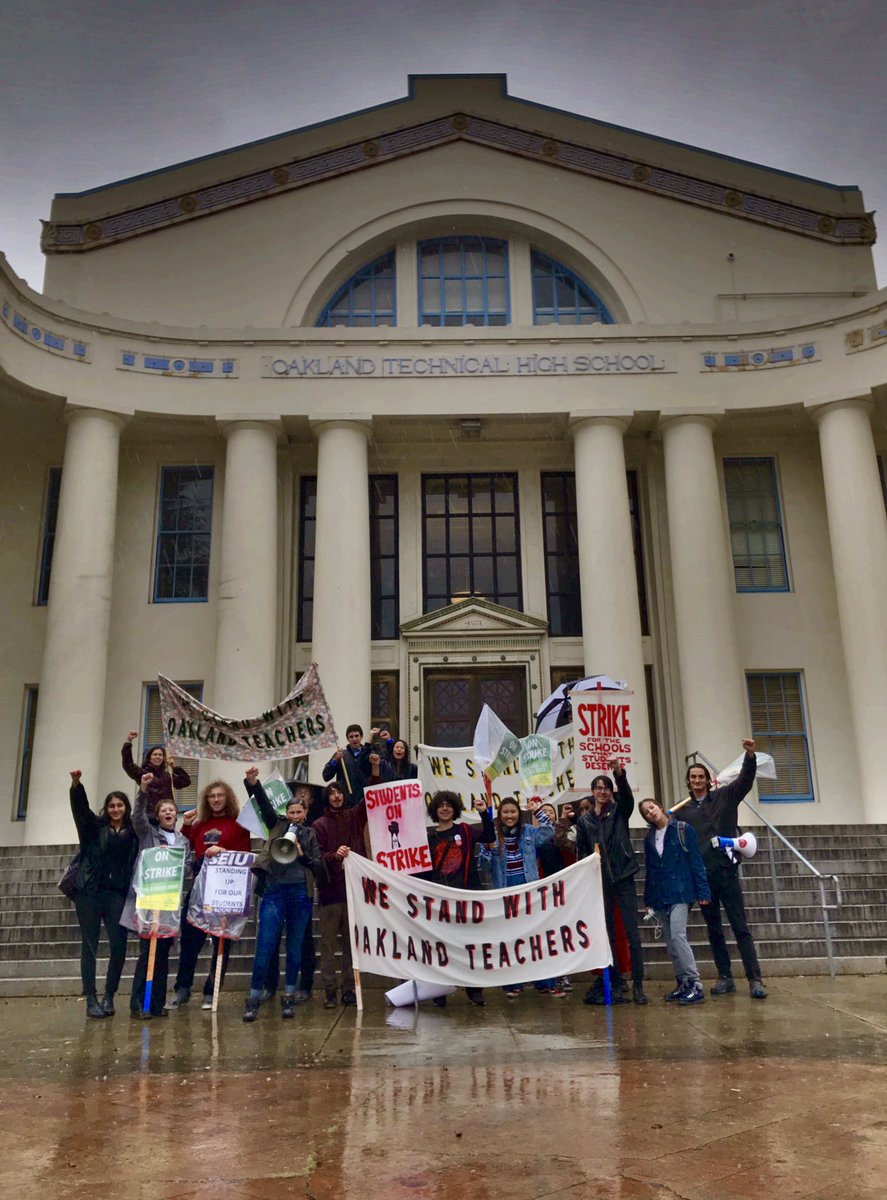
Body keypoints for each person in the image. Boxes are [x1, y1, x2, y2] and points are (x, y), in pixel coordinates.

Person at [677, 739, 767, 999]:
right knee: (714, 930)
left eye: (700, 776)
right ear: (689, 781)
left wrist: (749, 756)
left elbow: (745, 782)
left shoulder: (725, 795)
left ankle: (755, 979)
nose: (696, 780)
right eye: (692, 777)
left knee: (740, 927)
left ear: (708, 779)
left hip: (727, 872)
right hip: (704, 879)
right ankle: (725, 976)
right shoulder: (682, 811)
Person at [242, 767, 323, 1022]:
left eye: (300, 812)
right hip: (275, 892)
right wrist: (253, 783)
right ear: (286, 813)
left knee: (295, 948)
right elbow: (264, 804)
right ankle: (253, 999)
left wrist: (303, 855)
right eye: (292, 812)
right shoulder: (276, 824)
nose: (296, 816)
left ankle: (289, 996)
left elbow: (319, 866)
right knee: (265, 947)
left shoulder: (310, 835)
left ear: (306, 813)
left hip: (300, 893)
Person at [170, 780, 252, 1009]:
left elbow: (245, 856)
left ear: (228, 798)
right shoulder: (199, 825)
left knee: (221, 944)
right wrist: (185, 826)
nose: (216, 800)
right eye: (211, 796)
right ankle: (182, 989)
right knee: (189, 942)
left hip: (225, 892)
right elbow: (182, 848)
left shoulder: (238, 826)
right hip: (199, 891)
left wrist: (224, 853)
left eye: (220, 795)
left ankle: (211, 990)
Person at [574, 756, 647, 1006]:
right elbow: (581, 851)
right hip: (600, 881)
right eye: (598, 787)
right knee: (608, 934)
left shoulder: (619, 811)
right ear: (593, 792)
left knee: (632, 933)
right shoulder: (584, 821)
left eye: (606, 787)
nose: (602, 791)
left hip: (623, 876)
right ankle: (616, 982)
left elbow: (627, 797)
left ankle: (639, 985)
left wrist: (618, 773)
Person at [68, 770, 138, 1018]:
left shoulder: (133, 833)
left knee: (119, 945)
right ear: (106, 809)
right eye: (111, 805)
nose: (116, 809)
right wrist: (77, 786)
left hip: (116, 894)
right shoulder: (94, 829)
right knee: (90, 945)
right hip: (90, 892)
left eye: (120, 805)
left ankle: (109, 995)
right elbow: (81, 811)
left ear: (125, 808)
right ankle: (91, 999)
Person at [122, 774, 194, 1018]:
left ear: (176, 814)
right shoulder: (148, 834)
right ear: (158, 815)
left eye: (171, 810)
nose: (167, 813)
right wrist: (143, 789)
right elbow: (136, 817)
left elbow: (187, 868)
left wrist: (178, 866)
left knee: (163, 954)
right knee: (147, 954)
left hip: (169, 902)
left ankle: (157, 1003)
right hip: (148, 901)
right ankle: (139, 1003)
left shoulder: (182, 841)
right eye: (163, 810)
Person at [479, 797, 560, 999]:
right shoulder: (492, 835)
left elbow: (549, 831)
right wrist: (488, 850)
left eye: (513, 811)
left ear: (518, 813)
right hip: (506, 890)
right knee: (510, 937)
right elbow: (485, 868)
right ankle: (513, 984)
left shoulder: (529, 831)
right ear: (500, 814)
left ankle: (545, 982)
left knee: (537, 936)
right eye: (505, 812)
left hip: (530, 888)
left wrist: (538, 811)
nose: (509, 816)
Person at [424, 789, 495, 1007]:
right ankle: (440, 989)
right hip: (439, 899)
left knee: (469, 944)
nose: (445, 808)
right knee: (441, 946)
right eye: (440, 805)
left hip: (465, 895)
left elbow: (489, 837)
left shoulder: (464, 830)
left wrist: (485, 814)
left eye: (449, 805)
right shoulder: (428, 837)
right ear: (435, 810)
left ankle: (474, 989)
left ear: (455, 809)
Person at [639, 798, 711, 1005]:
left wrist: (703, 891)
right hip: (661, 895)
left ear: (659, 807)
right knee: (671, 941)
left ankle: (695, 984)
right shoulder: (649, 838)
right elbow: (651, 870)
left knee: (679, 936)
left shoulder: (682, 829)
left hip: (681, 891)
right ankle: (683, 981)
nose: (650, 812)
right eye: (645, 812)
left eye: (651, 807)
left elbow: (696, 860)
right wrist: (648, 898)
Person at [312, 781, 368, 1008]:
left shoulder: (353, 817)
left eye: (339, 793)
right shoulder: (319, 825)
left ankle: (349, 989)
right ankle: (330, 991)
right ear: (327, 798)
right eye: (332, 794)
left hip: (353, 891)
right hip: (330, 892)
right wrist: (334, 856)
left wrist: (375, 770)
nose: (336, 797)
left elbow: (370, 798)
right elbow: (317, 856)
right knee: (327, 945)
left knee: (350, 944)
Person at [121, 730, 190, 817]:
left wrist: (174, 767)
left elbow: (186, 781)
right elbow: (128, 765)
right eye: (155, 754)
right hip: (150, 818)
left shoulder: (168, 776)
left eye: (160, 755)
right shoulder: (144, 775)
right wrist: (129, 742)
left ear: (163, 758)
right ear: (149, 758)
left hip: (167, 817)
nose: (158, 757)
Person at [322, 723, 376, 806]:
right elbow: (326, 776)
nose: (354, 739)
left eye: (356, 736)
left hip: (365, 800)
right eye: (351, 737)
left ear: (361, 736)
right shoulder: (341, 755)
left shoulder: (368, 754)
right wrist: (334, 760)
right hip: (345, 802)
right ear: (347, 739)